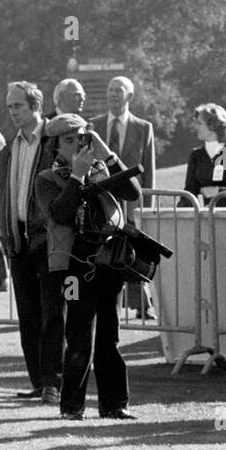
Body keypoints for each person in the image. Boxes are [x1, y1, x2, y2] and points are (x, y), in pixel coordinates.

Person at [35, 114, 142, 420]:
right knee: (79, 336)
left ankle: (114, 404)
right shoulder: (47, 179)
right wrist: (77, 178)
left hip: (107, 262)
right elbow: (60, 214)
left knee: (109, 335)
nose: (78, 145)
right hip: (74, 266)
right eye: (69, 140)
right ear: (55, 146)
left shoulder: (101, 168)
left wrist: (107, 154)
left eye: (82, 138)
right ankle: (71, 407)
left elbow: (132, 192)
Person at [0, 82, 64, 403]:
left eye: (17, 106)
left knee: (52, 314)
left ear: (35, 105)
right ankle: (38, 380)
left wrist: (50, 227)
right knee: (29, 316)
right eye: (9, 106)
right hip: (18, 242)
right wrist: (6, 228)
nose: (12, 112)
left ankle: (52, 382)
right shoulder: (9, 150)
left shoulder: (55, 142)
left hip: (49, 241)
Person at [90, 76, 158, 317]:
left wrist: (146, 209)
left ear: (129, 96)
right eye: (109, 89)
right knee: (105, 253)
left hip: (131, 202)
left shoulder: (143, 127)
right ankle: (107, 306)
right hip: (104, 203)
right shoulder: (94, 125)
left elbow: (148, 170)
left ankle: (143, 305)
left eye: (118, 90)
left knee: (132, 251)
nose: (112, 94)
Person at [182, 103, 226, 206]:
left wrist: (218, 191)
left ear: (213, 126)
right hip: (202, 218)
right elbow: (189, 191)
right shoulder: (196, 155)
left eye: (199, 123)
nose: (195, 127)